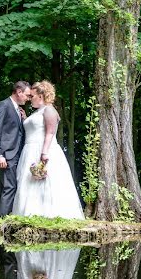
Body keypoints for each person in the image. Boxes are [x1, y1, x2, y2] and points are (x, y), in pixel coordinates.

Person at [11, 80, 84, 219]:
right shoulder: (37, 112)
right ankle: (30, 213)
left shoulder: (49, 110)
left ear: (40, 95)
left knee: (46, 182)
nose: (30, 99)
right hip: (30, 149)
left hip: (42, 148)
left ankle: (50, 214)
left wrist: (44, 152)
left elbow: (50, 133)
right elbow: (34, 128)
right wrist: (25, 118)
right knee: (30, 182)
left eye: (32, 96)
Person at [0, 81, 31, 218]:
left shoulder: (18, 109)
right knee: (10, 187)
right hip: (6, 154)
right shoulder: (3, 105)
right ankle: (4, 220)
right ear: (19, 92)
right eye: (27, 95)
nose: (28, 98)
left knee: (5, 186)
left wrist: (24, 119)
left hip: (15, 153)